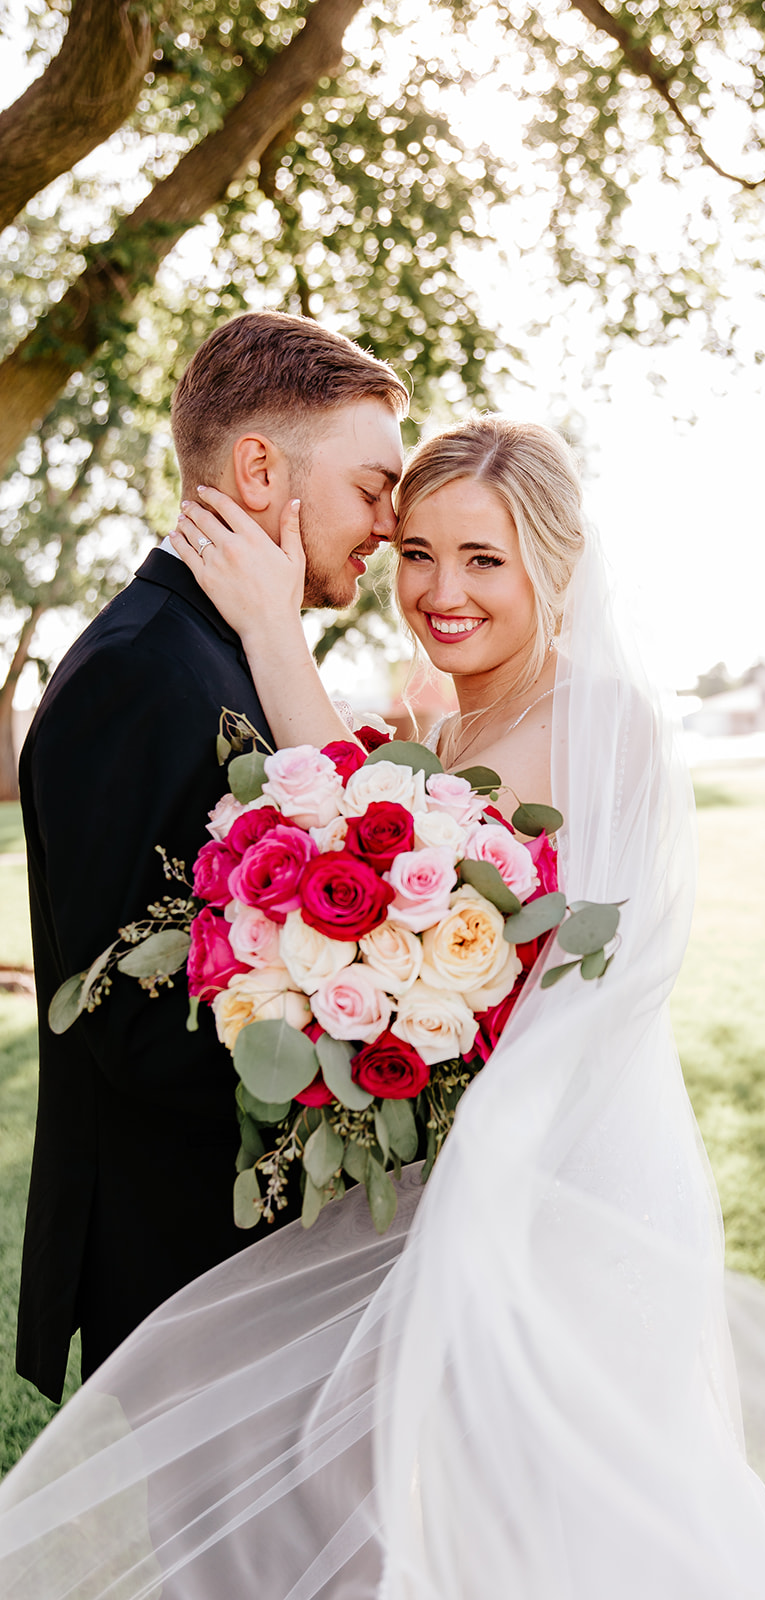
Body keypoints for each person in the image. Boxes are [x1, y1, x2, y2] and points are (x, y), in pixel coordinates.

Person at [4, 417, 765, 1599]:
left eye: (481, 559)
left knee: (573, 1513)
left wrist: (269, 630)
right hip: (450, 1179)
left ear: (552, 569)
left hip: (556, 1185)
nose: (438, 591)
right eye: (414, 551)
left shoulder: (599, 723)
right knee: (449, 1515)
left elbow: (393, 883)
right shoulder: (445, 726)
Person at [16, 310, 407, 1403]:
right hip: (188, 1253)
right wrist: (377, 1025)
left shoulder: (225, 649)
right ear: (257, 468)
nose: (390, 522)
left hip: (259, 1238)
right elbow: (125, 1021)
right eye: (373, 485)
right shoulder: (137, 670)